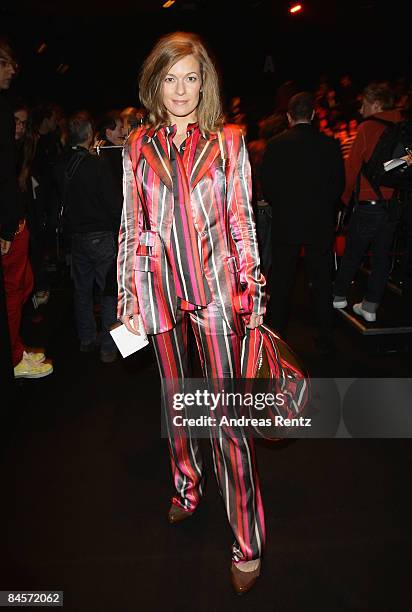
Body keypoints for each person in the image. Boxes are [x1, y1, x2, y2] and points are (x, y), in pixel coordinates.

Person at [117, 31, 266, 594]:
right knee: (178, 402)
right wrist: (130, 297)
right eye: (169, 78)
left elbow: (242, 222)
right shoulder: (138, 145)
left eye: (190, 77)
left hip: (217, 295)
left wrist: (252, 291)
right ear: (155, 83)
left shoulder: (229, 141)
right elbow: (131, 225)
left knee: (228, 422)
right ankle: (186, 485)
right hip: (159, 292)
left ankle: (247, 540)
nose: (180, 90)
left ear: (205, 82)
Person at [261, 91, 345, 354]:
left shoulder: (275, 145)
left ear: (289, 116)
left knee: (282, 281)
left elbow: (269, 188)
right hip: (319, 222)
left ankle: (277, 338)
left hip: (286, 222)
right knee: (321, 282)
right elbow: (338, 187)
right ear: (313, 114)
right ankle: (326, 338)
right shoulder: (330, 145)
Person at [0, 39, 53, 379]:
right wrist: (6, 225)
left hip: (15, 220)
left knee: (21, 287)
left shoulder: (25, 143)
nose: (10, 71)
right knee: (11, 291)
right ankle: (15, 356)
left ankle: (16, 349)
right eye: (5, 64)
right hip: (8, 223)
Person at [333, 83, 403, 322]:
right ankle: (370, 306)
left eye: (364, 103)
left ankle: (338, 295)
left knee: (354, 252)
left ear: (376, 104)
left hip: (368, 202)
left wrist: (343, 200)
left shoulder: (367, 127)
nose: (361, 108)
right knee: (382, 256)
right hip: (393, 203)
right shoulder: (402, 126)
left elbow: (352, 169)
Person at [54, 111, 121, 362]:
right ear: (91, 135)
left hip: (76, 236)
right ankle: (108, 347)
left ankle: (86, 338)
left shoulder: (62, 164)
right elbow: (113, 202)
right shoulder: (96, 164)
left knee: (82, 290)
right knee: (109, 292)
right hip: (102, 234)